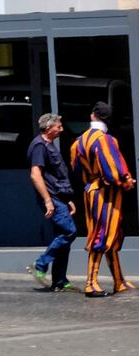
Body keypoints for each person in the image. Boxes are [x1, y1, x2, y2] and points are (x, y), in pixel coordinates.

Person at [70, 101, 136, 297]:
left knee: (108, 235)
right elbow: (112, 169)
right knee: (101, 235)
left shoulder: (78, 141)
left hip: (90, 189)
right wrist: (126, 180)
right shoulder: (106, 140)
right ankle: (91, 282)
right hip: (106, 192)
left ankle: (118, 280)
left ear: (92, 116)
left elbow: (76, 168)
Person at [26, 113, 78, 292]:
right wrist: (48, 201)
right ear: (49, 128)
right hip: (52, 199)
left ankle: (60, 280)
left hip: (59, 198)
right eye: (59, 126)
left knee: (63, 236)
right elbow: (35, 175)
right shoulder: (39, 146)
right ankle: (40, 265)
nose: (62, 129)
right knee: (70, 232)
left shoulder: (49, 145)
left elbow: (57, 175)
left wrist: (67, 199)